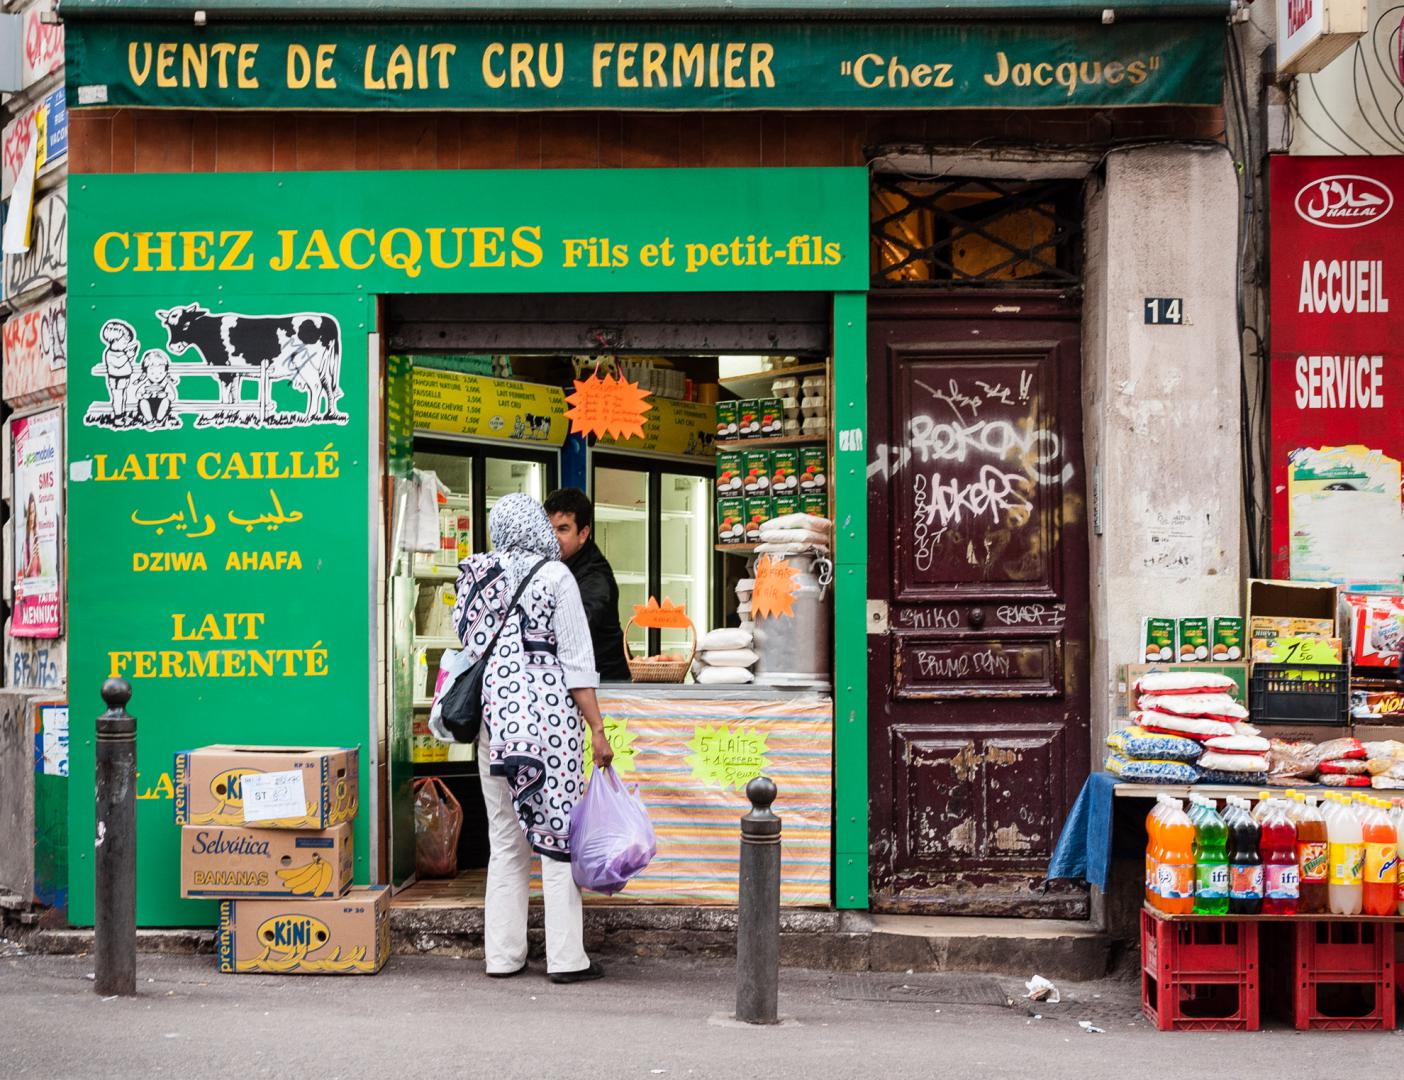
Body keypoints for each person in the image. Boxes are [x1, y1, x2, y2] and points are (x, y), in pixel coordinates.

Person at [452, 493, 613, 984]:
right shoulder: (555, 576)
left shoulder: (477, 575)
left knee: (504, 841)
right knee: (557, 839)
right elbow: (578, 665)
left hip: (494, 727)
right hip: (548, 730)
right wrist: (598, 729)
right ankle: (566, 958)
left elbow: (465, 646)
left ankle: (502, 955)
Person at [543, 488, 633, 683]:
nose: (553, 537)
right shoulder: (554, 565)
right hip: (575, 679)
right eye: (548, 529)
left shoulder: (595, 576)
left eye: (563, 529)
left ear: (583, 534)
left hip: (607, 684)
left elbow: (578, 625)